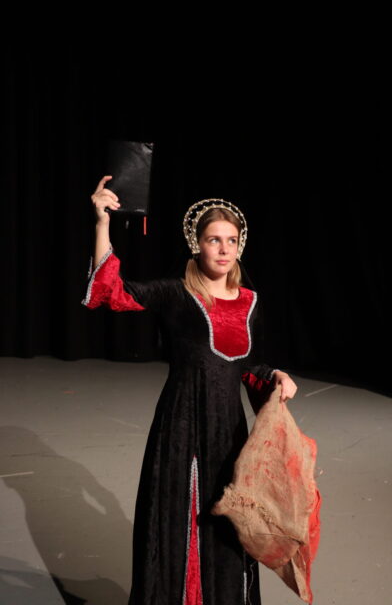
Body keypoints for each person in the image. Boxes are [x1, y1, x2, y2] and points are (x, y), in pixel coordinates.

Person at [82, 175, 298, 605]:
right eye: (214, 240)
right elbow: (111, 293)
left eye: (231, 240)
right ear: (196, 244)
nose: (223, 249)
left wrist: (275, 375)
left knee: (229, 521)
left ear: (240, 246)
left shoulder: (249, 301)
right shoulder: (176, 294)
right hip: (182, 428)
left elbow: (245, 367)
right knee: (181, 519)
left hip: (229, 433)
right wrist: (102, 223)